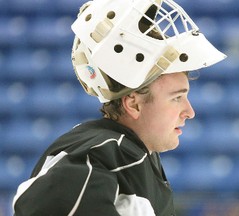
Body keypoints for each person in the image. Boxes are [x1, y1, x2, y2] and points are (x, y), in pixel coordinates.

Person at [13, 0, 226, 215]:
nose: (190, 112)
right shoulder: (96, 159)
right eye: (176, 98)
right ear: (133, 104)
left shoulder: (131, 151)